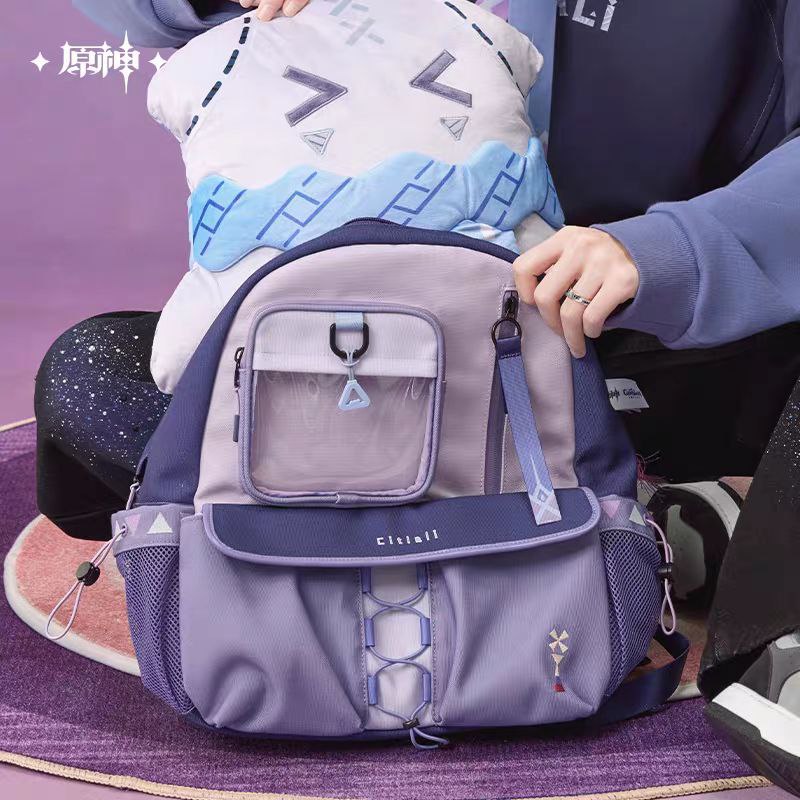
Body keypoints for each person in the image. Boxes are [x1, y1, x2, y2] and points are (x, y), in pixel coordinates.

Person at [43, 0, 798, 790]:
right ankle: (638, 515)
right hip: (501, 338)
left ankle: (669, 511)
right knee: (88, 373)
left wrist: (665, 254)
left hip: (674, 326)